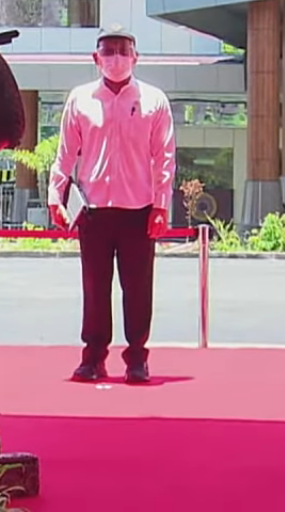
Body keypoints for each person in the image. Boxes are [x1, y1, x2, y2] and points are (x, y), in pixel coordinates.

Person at [49, 25, 175, 384]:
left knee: (138, 288)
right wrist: (55, 196)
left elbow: (164, 156)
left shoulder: (154, 100)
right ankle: (93, 357)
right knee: (95, 287)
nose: (115, 58)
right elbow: (66, 153)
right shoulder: (80, 99)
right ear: (96, 58)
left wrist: (161, 205)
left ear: (135, 57)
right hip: (93, 210)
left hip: (139, 209)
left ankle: (137, 358)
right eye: (108, 50)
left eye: (123, 50)